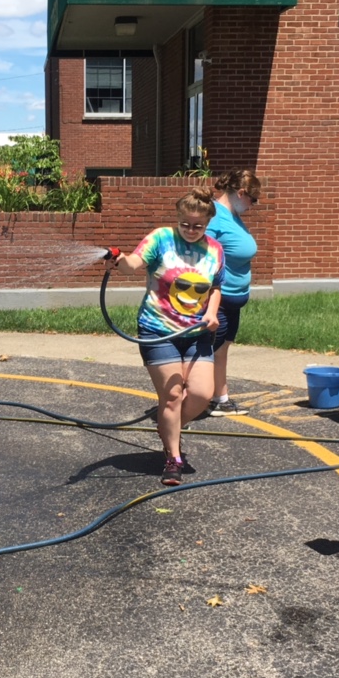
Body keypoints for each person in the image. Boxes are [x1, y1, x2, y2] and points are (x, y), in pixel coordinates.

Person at [107, 188, 223, 486]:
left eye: (198, 226)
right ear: (178, 218)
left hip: (197, 333)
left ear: (208, 223)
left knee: (202, 394)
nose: (191, 230)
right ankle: (173, 458)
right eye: (186, 224)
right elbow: (133, 265)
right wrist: (119, 259)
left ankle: (168, 426)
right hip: (158, 330)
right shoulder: (161, 238)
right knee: (171, 396)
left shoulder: (214, 250)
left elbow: (215, 287)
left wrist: (212, 313)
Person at [206, 169, 262, 416]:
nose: (253, 205)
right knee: (208, 350)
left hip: (233, 299)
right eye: (253, 199)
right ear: (241, 193)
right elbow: (202, 254)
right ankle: (191, 400)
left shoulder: (233, 216)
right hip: (217, 298)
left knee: (221, 350)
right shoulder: (214, 217)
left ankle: (220, 398)